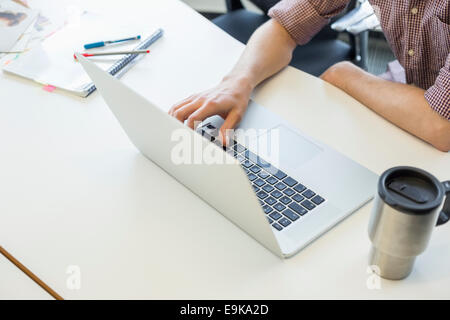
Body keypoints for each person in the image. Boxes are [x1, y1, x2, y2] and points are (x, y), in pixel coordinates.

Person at [169, 0, 450, 152]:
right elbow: (285, 27)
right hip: (416, 91)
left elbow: (441, 127)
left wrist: (345, 75)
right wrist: (237, 82)